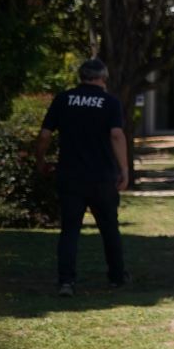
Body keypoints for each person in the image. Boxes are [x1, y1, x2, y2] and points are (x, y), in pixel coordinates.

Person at [33, 59, 129, 296]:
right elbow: (116, 135)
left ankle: (66, 282)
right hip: (102, 177)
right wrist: (124, 169)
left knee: (69, 230)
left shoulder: (63, 99)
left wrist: (41, 161)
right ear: (103, 78)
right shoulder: (110, 102)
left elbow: (45, 135)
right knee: (109, 228)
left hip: (70, 176)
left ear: (81, 77)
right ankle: (117, 277)